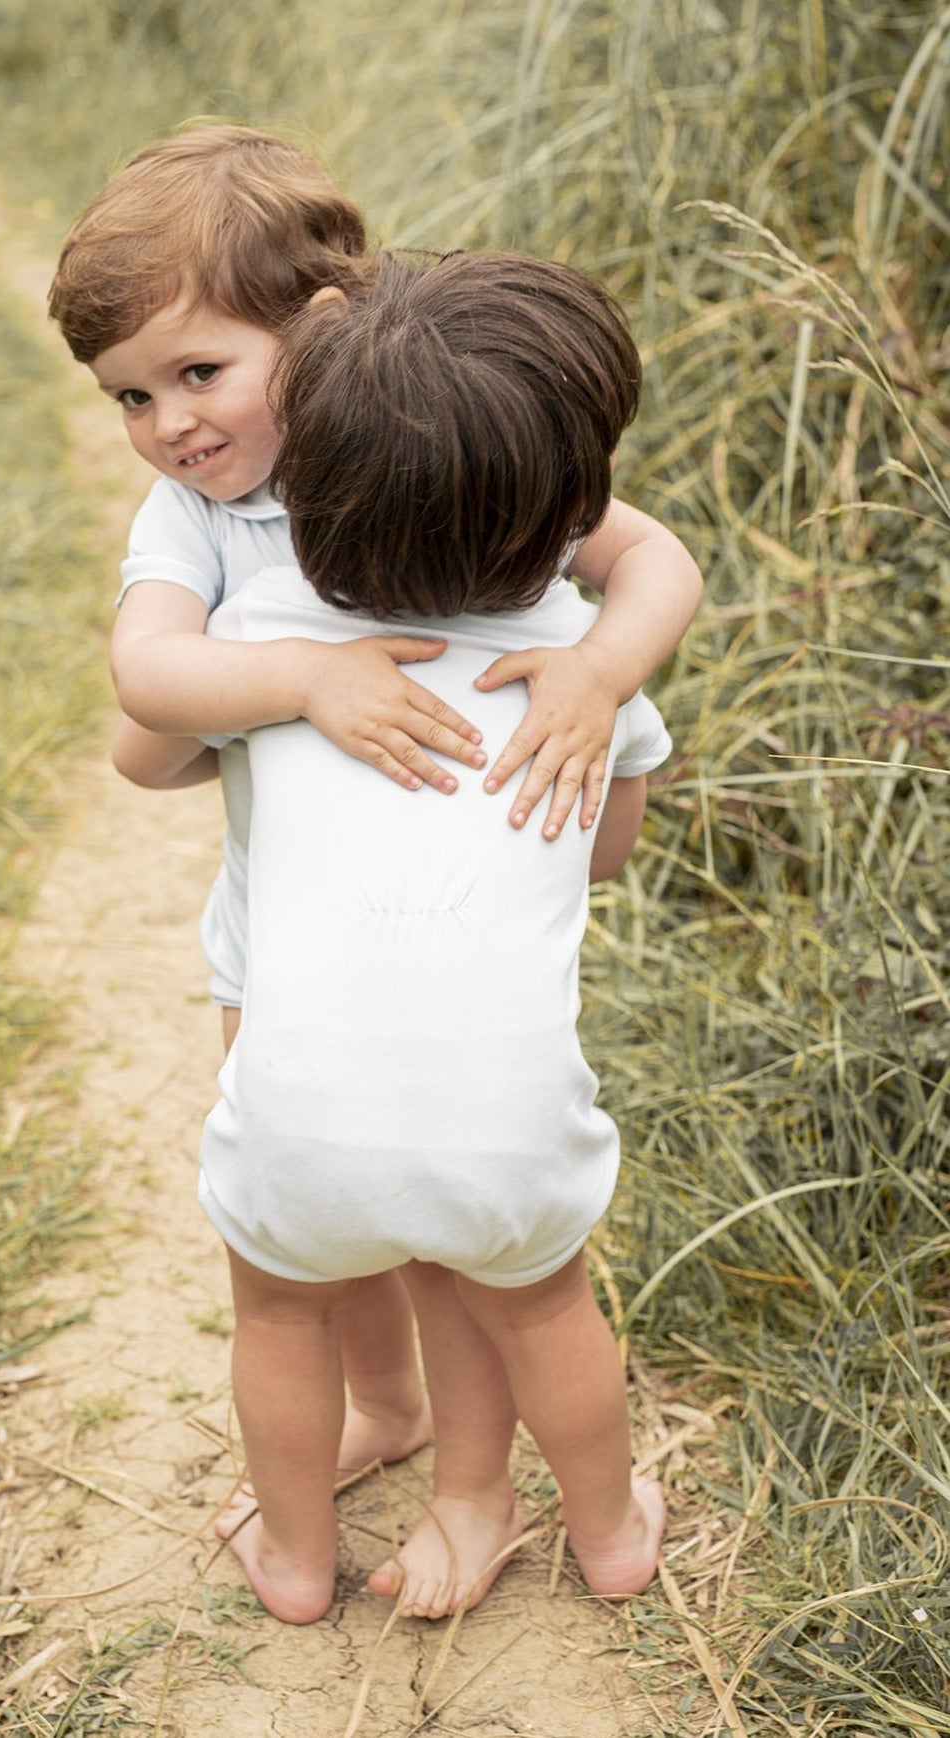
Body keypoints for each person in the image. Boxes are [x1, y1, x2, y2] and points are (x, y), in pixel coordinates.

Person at [47, 124, 700, 1517]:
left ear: (322, 330)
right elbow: (146, 694)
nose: (170, 424)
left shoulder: (432, 435)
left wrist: (598, 668)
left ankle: (445, 1439)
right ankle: (389, 1410)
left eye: (201, 371)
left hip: (426, 893)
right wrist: (296, 677)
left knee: (411, 1196)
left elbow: (649, 552)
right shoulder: (193, 518)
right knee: (315, 1187)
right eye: (130, 398)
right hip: (274, 927)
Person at [195, 249, 673, 1624]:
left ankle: (291, 1563)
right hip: (506, 1129)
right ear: (570, 509)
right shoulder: (585, 659)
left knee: (279, 1316)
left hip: (296, 1127)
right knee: (543, 1308)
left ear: (310, 504)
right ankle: (611, 1534)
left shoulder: (262, 635)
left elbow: (144, 742)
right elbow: (605, 849)